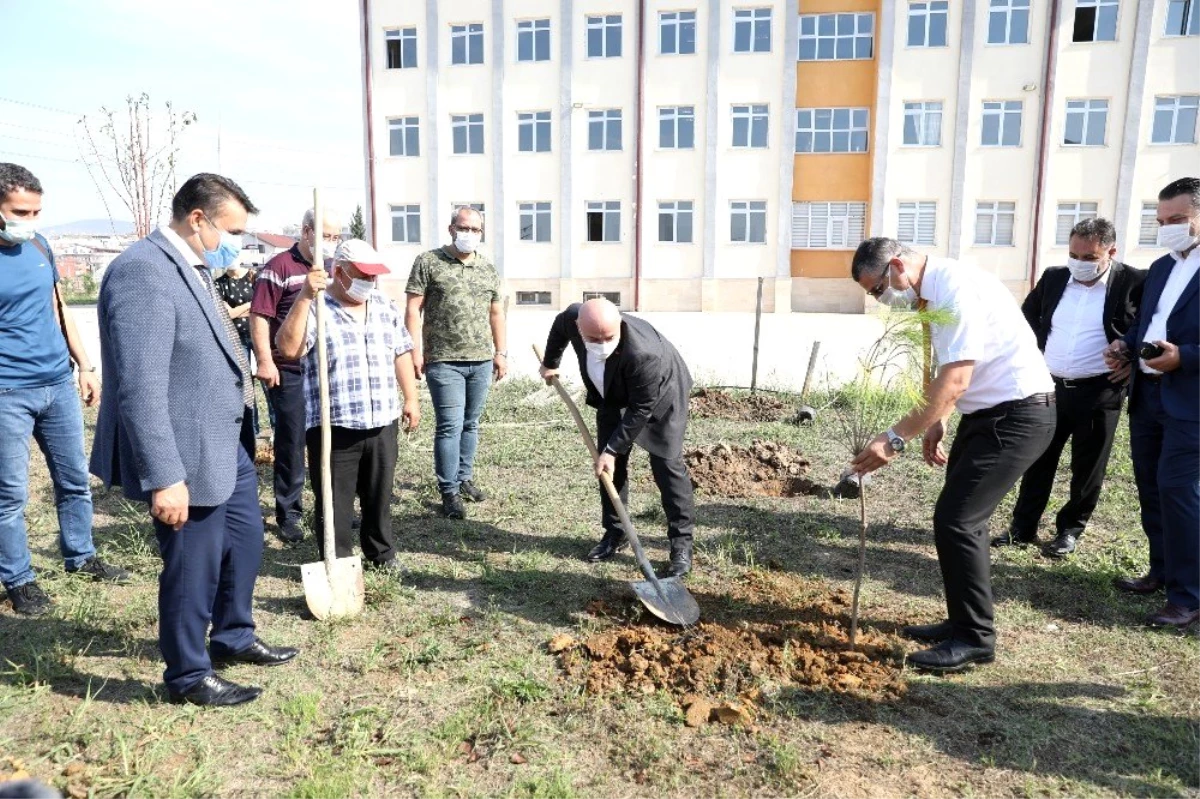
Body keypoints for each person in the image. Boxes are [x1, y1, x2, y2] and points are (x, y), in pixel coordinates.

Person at [90, 173, 297, 707]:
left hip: (224, 442)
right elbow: (140, 385)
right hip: (184, 451)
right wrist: (165, 476)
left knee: (246, 542)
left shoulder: (195, 267)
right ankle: (187, 675)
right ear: (198, 218)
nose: (238, 243)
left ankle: (233, 635)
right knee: (192, 566)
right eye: (232, 230)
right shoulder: (143, 272)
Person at [849, 238, 1055, 672]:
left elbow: (958, 378)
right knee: (959, 521)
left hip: (1018, 415)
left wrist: (894, 438)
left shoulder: (956, 287)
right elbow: (939, 361)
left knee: (958, 520)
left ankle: (976, 639)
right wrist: (935, 419)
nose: (880, 299)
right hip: (987, 416)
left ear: (898, 265)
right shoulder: (929, 294)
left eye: (876, 289)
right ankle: (962, 622)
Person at [0, 162, 129, 617]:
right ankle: (18, 579)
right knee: (9, 495)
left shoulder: (39, 245)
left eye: (35, 212)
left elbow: (60, 309)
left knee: (74, 480)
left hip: (56, 384)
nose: (29, 221)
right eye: (20, 211)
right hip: (7, 393)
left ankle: (81, 556)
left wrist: (85, 365)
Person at [995, 218, 1145, 557]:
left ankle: (1069, 531)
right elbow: (1026, 321)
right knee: (1037, 459)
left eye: (1090, 258)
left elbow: (1149, 327)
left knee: (1087, 467)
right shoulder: (1054, 278)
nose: (1080, 263)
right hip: (1049, 388)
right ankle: (1023, 526)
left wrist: (1133, 359)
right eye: (1073, 254)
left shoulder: (1134, 282)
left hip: (1099, 391)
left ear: (1111, 251)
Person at [275, 239, 420, 569]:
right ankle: (337, 559)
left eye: (373, 277)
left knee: (378, 495)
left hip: (382, 419)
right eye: (362, 275)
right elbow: (289, 349)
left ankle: (380, 554)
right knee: (334, 500)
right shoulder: (316, 308)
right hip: (334, 425)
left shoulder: (382, 305)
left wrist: (410, 397)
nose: (369, 283)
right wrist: (304, 296)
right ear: (337, 272)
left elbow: (401, 351)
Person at [538, 299, 696, 577]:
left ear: (619, 326)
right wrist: (550, 363)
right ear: (580, 327)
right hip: (611, 392)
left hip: (661, 396)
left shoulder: (645, 354)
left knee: (667, 466)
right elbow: (560, 328)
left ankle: (681, 546)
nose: (601, 344)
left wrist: (612, 449)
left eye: (608, 337)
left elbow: (641, 409)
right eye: (593, 338)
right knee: (610, 467)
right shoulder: (574, 318)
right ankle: (615, 532)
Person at [1103, 177, 1200, 629]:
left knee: (1180, 493)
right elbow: (1147, 320)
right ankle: (1161, 571)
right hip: (1148, 396)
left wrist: (1186, 358)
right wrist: (1125, 345)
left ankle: (1189, 595)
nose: (1168, 229)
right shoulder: (1162, 266)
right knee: (1152, 488)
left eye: (1178, 221)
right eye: (1161, 222)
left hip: (1190, 401)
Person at [405, 207, 506, 520]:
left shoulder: (487, 268)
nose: (470, 234)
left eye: (476, 230)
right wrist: (414, 352)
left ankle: (464, 479)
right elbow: (412, 310)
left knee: (471, 424)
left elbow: (496, 313)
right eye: (465, 228)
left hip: (480, 361)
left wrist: (501, 352)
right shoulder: (428, 262)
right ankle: (448, 491)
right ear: (451, 229)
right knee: (449, 426)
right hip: (443, 360)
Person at [250, 208, 343, 543]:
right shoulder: (279, 268)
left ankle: (333, 507)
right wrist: (265, 360)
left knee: (332, 442)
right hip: (289, 371)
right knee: (292, 443)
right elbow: (260, 315)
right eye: (326, 236)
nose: (331, 243)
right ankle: (289, 512)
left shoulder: (334, 268)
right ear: (306, 232)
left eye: (336, 237)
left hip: (328, 371)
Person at [214, 261, 261, 435]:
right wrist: (250, 305)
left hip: (258, 334)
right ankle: (253, 428)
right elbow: (225, 314)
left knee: (267, 382)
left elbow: (262, 306)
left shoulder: (254, 277)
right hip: (236, 338)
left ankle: (274, 426)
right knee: (246, 383)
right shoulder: (220, 283)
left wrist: (236, 310)